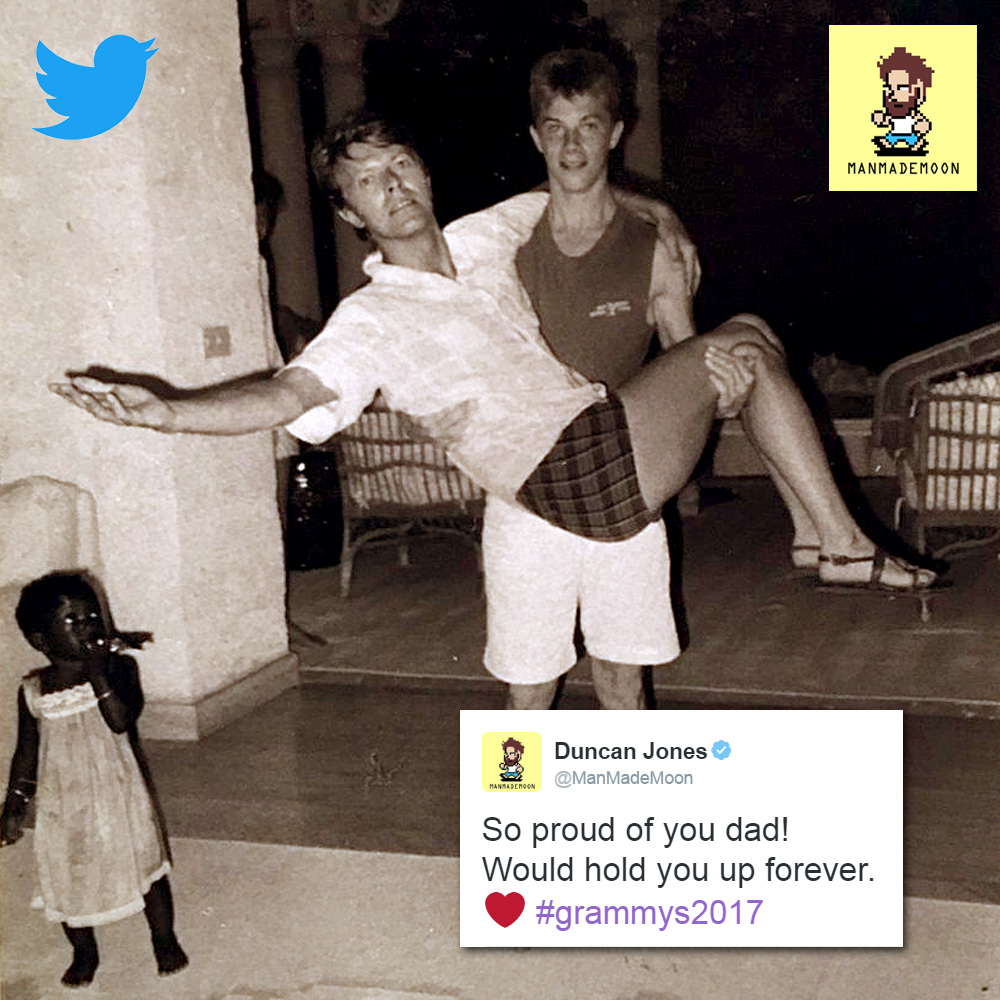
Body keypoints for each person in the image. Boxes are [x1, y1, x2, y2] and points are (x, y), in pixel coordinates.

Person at [51, 113, 937, 606]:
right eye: (367, 182)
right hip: (572, 469)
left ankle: (818, 537)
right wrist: (169, 411)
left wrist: (659, 213)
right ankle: (840, 542)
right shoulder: (371, 319)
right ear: (352, 215)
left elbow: (571, 187)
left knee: (748, 335)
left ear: (425, 175)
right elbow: (288, 394)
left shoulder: (481, 239)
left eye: (401, 164)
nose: (392, 185)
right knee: (738, 342)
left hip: (593, 438)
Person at [467, 48, 725, 710]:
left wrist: (722, 390)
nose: (572, 146)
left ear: (615, 133)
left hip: (624, 492)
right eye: (555, 128)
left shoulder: (655, 251)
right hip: (525, 495)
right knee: (528, 688)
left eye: (588, 126)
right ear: (536, 137)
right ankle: (515, 786)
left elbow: (686, 368)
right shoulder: (501, 245)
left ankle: (627, 783)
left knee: (622, 679)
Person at [1, 571, 188, 987]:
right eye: (72, 620)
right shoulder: (33, 690)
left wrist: (97, 670)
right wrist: (14, 804)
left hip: (118, 793)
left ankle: (163, 938)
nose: (87, 626)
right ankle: (84, 950)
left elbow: (120, 720)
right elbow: (26, 752)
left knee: (144, 864)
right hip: (63, 803)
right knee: (66, 872)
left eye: (92, 617)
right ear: (40, 640)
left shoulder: (120, 669)